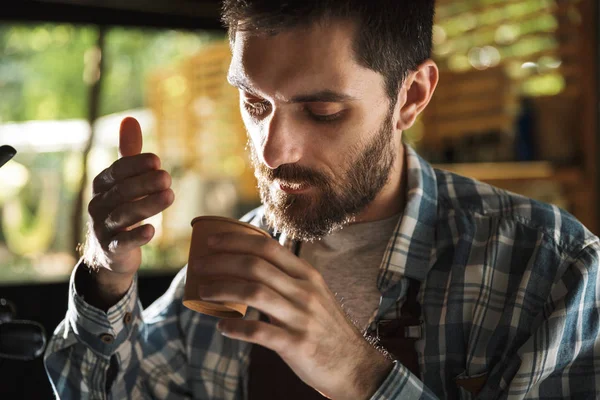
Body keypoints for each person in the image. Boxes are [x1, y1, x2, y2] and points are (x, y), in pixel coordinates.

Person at [44, 0, 600, 399]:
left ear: (411, 96)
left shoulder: (549, 267)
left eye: (322, 112)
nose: (273, 150)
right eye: (255, 104)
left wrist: (360, 374)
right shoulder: (237, 257)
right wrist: (105, 273)